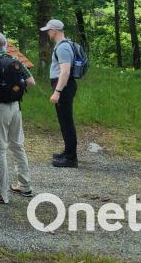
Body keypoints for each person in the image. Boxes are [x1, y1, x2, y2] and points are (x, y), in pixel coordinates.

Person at [0, 31, 35, 203]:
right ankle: (25, 185)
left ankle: (0, 192)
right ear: (4, 43)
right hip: (16, 107)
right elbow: (31, 82)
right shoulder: (15, 60)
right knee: (17, 145)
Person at [42, 19, 79, 168]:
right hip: (63, 86)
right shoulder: (64, 44)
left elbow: (65, 71)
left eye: (48, 30)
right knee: (64, 121)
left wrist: (57, 91)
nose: (47, 33)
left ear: (55, 30)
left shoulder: (62, 48)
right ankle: (67, 151)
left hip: (63, 87)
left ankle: (71, 158)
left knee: (67, 122)